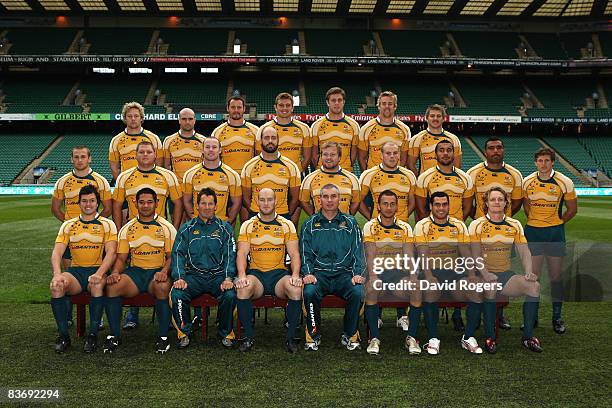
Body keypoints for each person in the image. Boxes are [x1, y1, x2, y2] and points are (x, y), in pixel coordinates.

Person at [103, 188, 176, 354]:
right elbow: (121, 259)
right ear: (135, 204)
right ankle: (115, 335)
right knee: (112, 287)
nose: (145, 206)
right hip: (135, 273)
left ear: (157, 204)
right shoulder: (127, 228)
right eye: (142, 202)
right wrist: (115, 272)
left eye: (150, 202)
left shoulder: (167, 227)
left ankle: (163, 337)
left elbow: (172, 257)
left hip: (157, 271)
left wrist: (165, 271)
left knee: (163, 287)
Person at [470, 187, 543, 353]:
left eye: (500, 199)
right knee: (490, 288)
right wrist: (486, 274)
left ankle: (528, 337)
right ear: (486, 203)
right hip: (482, 274)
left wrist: (528, 271)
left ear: (505, 203)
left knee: (534, 286)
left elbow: (524, 250)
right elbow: (474, 255)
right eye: (493, 199)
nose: (497, 202)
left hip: (505, 275)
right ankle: (490, 337)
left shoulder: (514, 224)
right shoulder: (477, 225)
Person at [49, 185, 117, 353]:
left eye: (92, 201)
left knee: (96, 285)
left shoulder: (107, 224)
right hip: (76, 272)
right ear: (79, 203)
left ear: (98, 203)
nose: (88, 204)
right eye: (84, 201)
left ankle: (92, 335)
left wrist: (100, 273)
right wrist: (57, 274)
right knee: (56, 286)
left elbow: (111, 253)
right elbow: (57, 252)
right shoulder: (68, 225)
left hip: (97, 270)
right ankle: (64, 336)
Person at [413, 191, 482, 355]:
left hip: (453, 273)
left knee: (475, 289)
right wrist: (429, 277)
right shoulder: (422, 225)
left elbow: (466, 253)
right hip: (431, 272)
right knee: (430, 289)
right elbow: (422, 255)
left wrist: (472, 275)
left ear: (449, 206)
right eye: (437, 204)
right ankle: (433, 338)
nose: (441, 208)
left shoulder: (458, 225)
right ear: (430, 206)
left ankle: (468, 337)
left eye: (444, 204)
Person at [234, 188, 302, 353]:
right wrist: (242, 275)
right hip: (257, 276)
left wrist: (295, 275)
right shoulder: (248, 225)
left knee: (295, 289)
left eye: (269, 200)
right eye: (262, 200)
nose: (266, 203)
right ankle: (248, 338)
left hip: (279, 276)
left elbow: (294, 254)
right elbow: (242, 253)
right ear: (257, 202)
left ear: (276, 201)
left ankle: (290, 338)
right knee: (243, 288)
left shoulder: (287, 225)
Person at [301, 184, 366, 351]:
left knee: (357, 291)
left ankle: (350, 334)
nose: (329, 200)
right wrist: (308, 273)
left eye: (333, 196)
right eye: (325, 197)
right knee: (309, 292)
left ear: (340, 199)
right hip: (319, 275)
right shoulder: (309, 224)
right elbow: (304, 253)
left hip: (344, 275)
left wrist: (357, 274)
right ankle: (314, 334)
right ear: (319, 200)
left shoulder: (351, 223)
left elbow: (358, 252)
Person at [467, 136, 523, 330]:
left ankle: (499, 314)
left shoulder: (514, 174)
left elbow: (516, 202)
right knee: (478, 274)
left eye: (499, 147)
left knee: (501, 272)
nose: (495, 151)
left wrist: (503, 220)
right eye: (491, 148)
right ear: (485, 152)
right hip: (480, 233)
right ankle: (473, 314)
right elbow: (468, 202)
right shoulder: (473, 173)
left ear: (503, 150)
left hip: (503, 235)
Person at [170, 188, 237, 349]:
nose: (207, 207)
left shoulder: (225, 229)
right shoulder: (187, 228)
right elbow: (177, 254)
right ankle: (184, 332)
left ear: (216, 206)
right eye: (203, 203)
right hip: (194, 276)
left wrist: (228, 278)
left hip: (218, 276)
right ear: (197, 206)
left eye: (210, 204)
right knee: (177, 293)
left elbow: (230, 255)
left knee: (230, 294)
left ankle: (225, 332)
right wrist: (179, 277)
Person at [359, 141, 416, 328]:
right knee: (377, 269)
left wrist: (403, 218)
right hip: (378, 230)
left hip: (401, 232)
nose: (392, 156)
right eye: (388, 153)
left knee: (402, 269)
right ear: (381, 155)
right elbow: (359, 201)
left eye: (395, 153)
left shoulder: (408, 175)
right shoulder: (369, 174)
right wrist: (371, 218)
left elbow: (413, 201)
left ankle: (402, 316)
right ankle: (377, 314)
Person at [522, 148, 577, 334]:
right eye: (540, 160)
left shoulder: (565, 181)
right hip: (534, 233)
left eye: (547, 160)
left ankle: (557, 317)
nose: (543, 164)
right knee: (533, 277)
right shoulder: (527, 181)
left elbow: (572, 209)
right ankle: (533, 317)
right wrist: (537, 222)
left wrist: (558, 222)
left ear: (553, 162)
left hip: (555, 234)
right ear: (535, 162)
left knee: (555, 277)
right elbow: (527, 207)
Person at [362, 190, 421, 355]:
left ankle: (411, 337)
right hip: (378, 272)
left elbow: (409, 256)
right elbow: (370, 255)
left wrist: (413, 277)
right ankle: (374, 338)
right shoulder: (370, 226)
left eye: (392, 204)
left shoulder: (405, 228)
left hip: (398, 274)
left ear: (397, 206)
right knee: (371, 289)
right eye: (385, 204)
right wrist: (373, 277)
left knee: (416, 289)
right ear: (378, 206)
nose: (389, 207)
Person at [113, 141, 183, 232]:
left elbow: (178, 204)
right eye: (141, 152)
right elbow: (116, 205)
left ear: (155, 155)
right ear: (136, 155)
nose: (145, 154)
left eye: (149, 152)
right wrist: (118, 230)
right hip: (133, 231)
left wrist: (174, 229)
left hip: (160, 231)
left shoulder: (168, 176)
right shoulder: (124, 177)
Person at [241, 126, 301, 224]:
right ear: (261, 141)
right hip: (256, 216)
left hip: (282, 216)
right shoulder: (249, 166)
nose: (270, 141)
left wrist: (285, 214)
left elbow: (295, 198)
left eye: (273, 138)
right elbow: (246, 198)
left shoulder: (291, 166)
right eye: (266, 138)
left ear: (278, 140)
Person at [183, 137, 241, 224]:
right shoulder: (190, 174)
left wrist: (227, 223)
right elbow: (187, 201)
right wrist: (194, 220)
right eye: (207, 147)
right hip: (198, 225)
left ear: (220, 150)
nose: (210, 150)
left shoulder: (232, 175)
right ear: (202, 150)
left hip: (221, 225)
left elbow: (236, 203)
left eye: (214, 147)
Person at [162, 107, 206, 221]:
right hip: (177, 191)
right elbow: (166, 166)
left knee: (196, 222)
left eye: (190, 119)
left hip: (196, 190)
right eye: (184, 119)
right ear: (179, 120)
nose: (187, 122)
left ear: (195, 120)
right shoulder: (168, 140)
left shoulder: (203, 141)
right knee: (177, 222)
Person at [52, 146, 112, 221]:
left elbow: (108, 209)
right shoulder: (62, 181)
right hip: (71, 230)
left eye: (83, 157)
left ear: (89, 159)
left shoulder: (101, 181)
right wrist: (68, 223)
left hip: (92, 231)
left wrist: (93, 222)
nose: (79, 160)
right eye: (76, 157)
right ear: (71, 159)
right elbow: (55, 209)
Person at [300, 141, 360, 216]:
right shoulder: (309, 179)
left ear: (339, 157)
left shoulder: (352, 178)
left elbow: (356, 202)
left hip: (344, 226)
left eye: (332, 155)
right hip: (319, 226)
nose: (328, 158)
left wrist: (347, 218)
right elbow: (304, 201)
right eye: (325, 154)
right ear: (321, 156)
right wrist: (315, 217)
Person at [256, 92, 312, 173]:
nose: (284, 108)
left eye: (288, 105)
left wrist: (296, 172)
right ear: (275, 107)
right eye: (281, 105)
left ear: (292, 108)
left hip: (296, 175)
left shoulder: (304, 128)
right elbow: (259, 155)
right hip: (272, 174)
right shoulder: (264, 129)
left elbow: (307, 157)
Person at [109, 102, 163, 183]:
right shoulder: (116, 140)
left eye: (136, 116)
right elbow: (114, 168)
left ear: (141, 118)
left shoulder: (153, 138)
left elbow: (159, 165)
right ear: (125, 118)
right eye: (129, 116)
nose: (133, 119)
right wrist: (123, 183)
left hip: (150, 184)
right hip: (128, 186)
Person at [358, 91, 411, 171]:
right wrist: (368, 176)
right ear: (378, 106)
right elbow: (361, 158)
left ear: (395, 106)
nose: (387, 106)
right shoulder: (366, 128)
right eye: (383, 103)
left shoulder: (404, 129)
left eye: (390, 104)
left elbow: (404, 158)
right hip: (375, 179)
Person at [310, 87, 360, 171]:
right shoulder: (316, 125)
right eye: (333, 100)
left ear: (343, 102)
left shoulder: (353, 125)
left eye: (339, 100)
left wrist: (347, 166)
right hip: (322, 172)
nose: (337, 103)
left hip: (345, 172)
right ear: (327, 102)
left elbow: (354, 152)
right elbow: (314, 153)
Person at [407, 104, 462, 175]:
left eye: (438, 116)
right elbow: (410, 165)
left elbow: (457, 166)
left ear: (443, 118)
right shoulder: (417, 139)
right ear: (426, 118)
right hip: (426, 185)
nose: (435, 118)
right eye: (432, 116)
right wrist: (421, 180)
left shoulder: (453, 139)